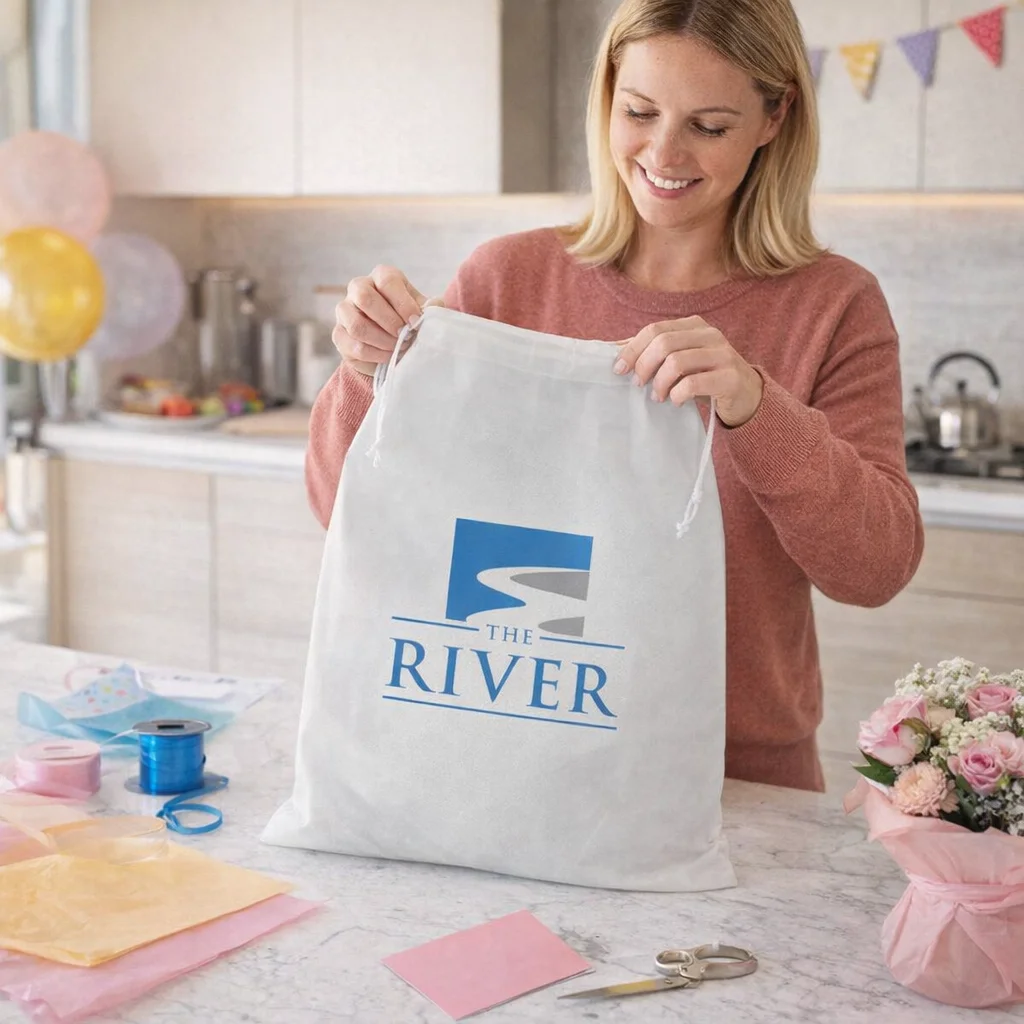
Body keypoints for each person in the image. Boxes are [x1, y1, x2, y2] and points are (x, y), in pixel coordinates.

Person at [305, 0, 925, 792]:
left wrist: (753, 406)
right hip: (503, 750)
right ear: (607, 99)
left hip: (734, 781)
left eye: (709, 125)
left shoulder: (834, 304)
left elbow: (874, 569)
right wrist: (369, 374)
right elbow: (346, 511)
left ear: (775, 117)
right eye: (639, 112)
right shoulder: (507, 279)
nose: (664, 152)